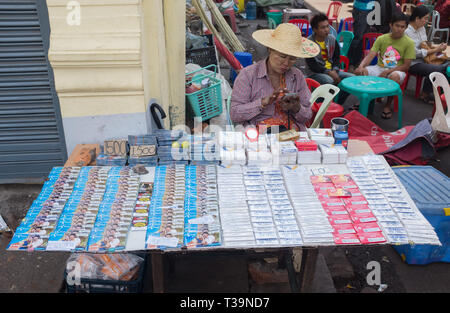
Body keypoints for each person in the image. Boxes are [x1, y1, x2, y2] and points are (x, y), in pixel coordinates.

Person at [230, 23, 320, 133]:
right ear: (270, 49)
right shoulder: (248, 75)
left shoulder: (297, 76)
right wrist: (263, 102)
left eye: (292, 59)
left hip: (291, 134)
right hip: (258, 135)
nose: (286, 63)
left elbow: (308, 116)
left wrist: (296, 108)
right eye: (282, 56)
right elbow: (235, 114)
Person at [354, 12, 416, 119]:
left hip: (397, 70)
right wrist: (361, 66)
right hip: (379, 67)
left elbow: (406, 66)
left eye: (403, 27)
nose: (399, 29)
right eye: (397, 26)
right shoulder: (382, 38)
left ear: (406, 27)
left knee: (394, 77)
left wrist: (388, 71)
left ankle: (387, 105)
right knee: (361, 72)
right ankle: (365, 100)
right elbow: (371, 55)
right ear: (391, 25)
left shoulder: (409, 43)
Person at [306, 13, 355, 104]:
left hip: (332, 70)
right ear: (315, 29)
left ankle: (336, 103)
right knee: (329, 81)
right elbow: (312, 65)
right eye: (323, 27)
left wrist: (335, 70)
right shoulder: (309, 43)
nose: (326, 30)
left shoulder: (332, 39)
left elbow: (337, 57)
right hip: (315, 72)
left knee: (351, 79)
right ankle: (319, 105)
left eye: (327, 26)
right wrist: (329, 72)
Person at [405, 5, 449, 105]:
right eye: (425, 19)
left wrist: (437, 49)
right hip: (412, 62)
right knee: (438, 69)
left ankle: (441, 93)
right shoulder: (407, 31)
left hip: (424, 59)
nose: (426, 21)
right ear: (417, 19)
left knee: (446, 63)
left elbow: (425, 44)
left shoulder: (421, 29)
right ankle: (425, 94)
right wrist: (435, 50)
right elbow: (414, 53)